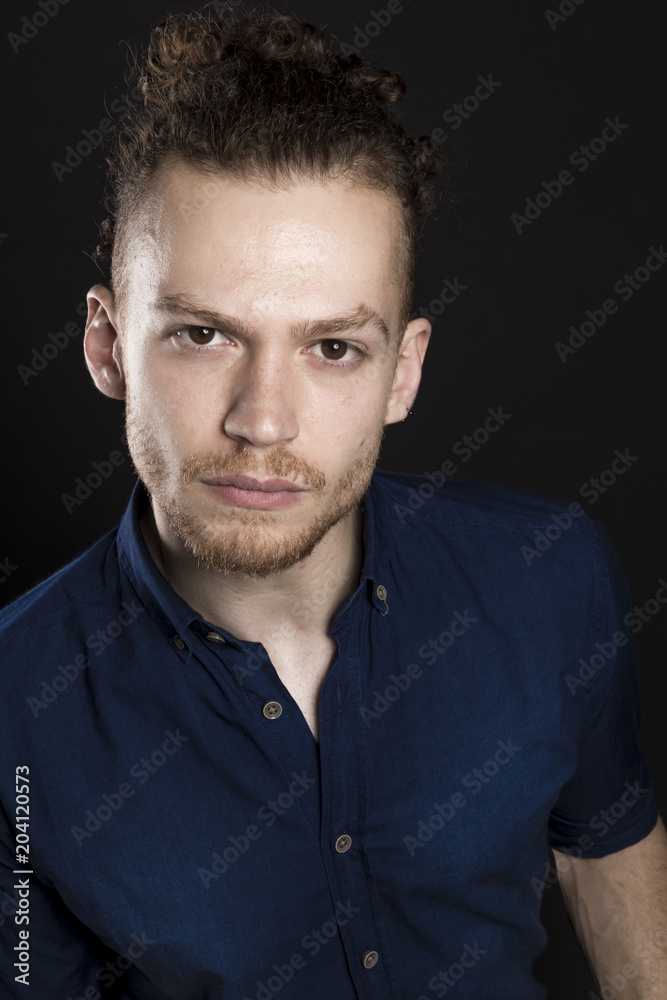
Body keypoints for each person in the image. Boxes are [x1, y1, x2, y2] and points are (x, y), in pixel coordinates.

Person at [1, 6, 666, 999]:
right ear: (106, 345)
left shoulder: (552, 574)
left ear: (402, 373)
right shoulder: (15, 704)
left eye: (332, 348)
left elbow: (604, 846)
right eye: (202, 335)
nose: (263, 421)